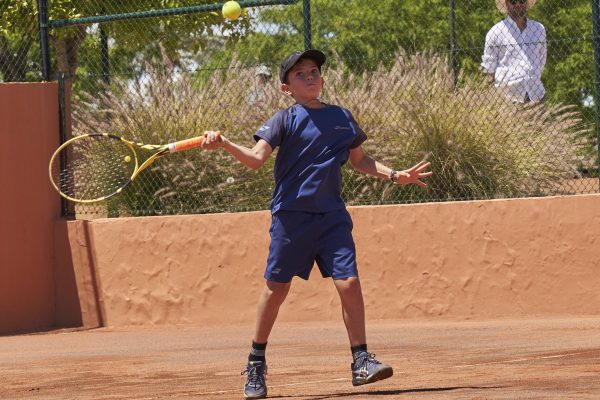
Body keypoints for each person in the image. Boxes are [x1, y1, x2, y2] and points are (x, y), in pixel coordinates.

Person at [201, 49, 432, 399]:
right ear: (285, 88)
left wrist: (395, 175)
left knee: (350, 283)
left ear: (322, 79)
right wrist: (225, 143)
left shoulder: (342, 117)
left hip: (332, 218)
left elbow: (360, 160)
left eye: (314, 71)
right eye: (300, 74)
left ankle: (361, 361)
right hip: (291, 218)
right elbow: (255, 160)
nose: (309, 76)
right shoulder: (284, 119)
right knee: (276, 290)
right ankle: (255, 362)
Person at [481, 0, 547, 103]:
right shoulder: (495, 33)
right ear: (506, 4)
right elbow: (489, 70)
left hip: (536, 94)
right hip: (507, 98)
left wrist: (532, 74)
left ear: (526, 4)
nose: (518, 5)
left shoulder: (539, 29)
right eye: (513, 2)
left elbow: (542, 59)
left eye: (522, 1)